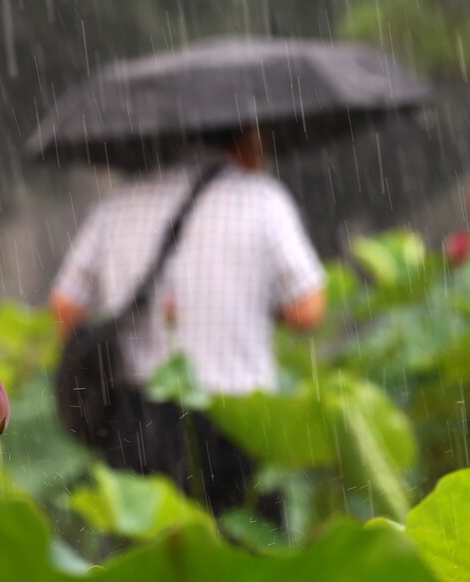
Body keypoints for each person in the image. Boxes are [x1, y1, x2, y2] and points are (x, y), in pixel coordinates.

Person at [48, 126, 326, 517]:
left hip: (140, 421)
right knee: (244, 562)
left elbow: (65, 308)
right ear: (243, 136)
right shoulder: (263, 200)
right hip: (238, 419)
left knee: (150, 561)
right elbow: (308, 310)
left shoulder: (121, 203)